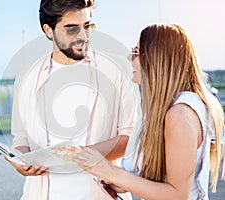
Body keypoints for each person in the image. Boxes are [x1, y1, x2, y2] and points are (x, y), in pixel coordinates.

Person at [6, 0, 141, 199]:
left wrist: (74, 156)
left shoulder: (118, 71)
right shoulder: (26, 77)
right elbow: (21, 139)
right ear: (48, 30)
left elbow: (131, 137)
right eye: (72, 29)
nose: (83, 36)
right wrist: (20, 161)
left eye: (87, 26)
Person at [73, 24, 225, 199]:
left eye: (137, 51)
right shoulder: (169, 109)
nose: (130, 57)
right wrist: (123, 182)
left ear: (158, 58)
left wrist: (111, 172)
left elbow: (177, 195)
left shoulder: (181, 115)